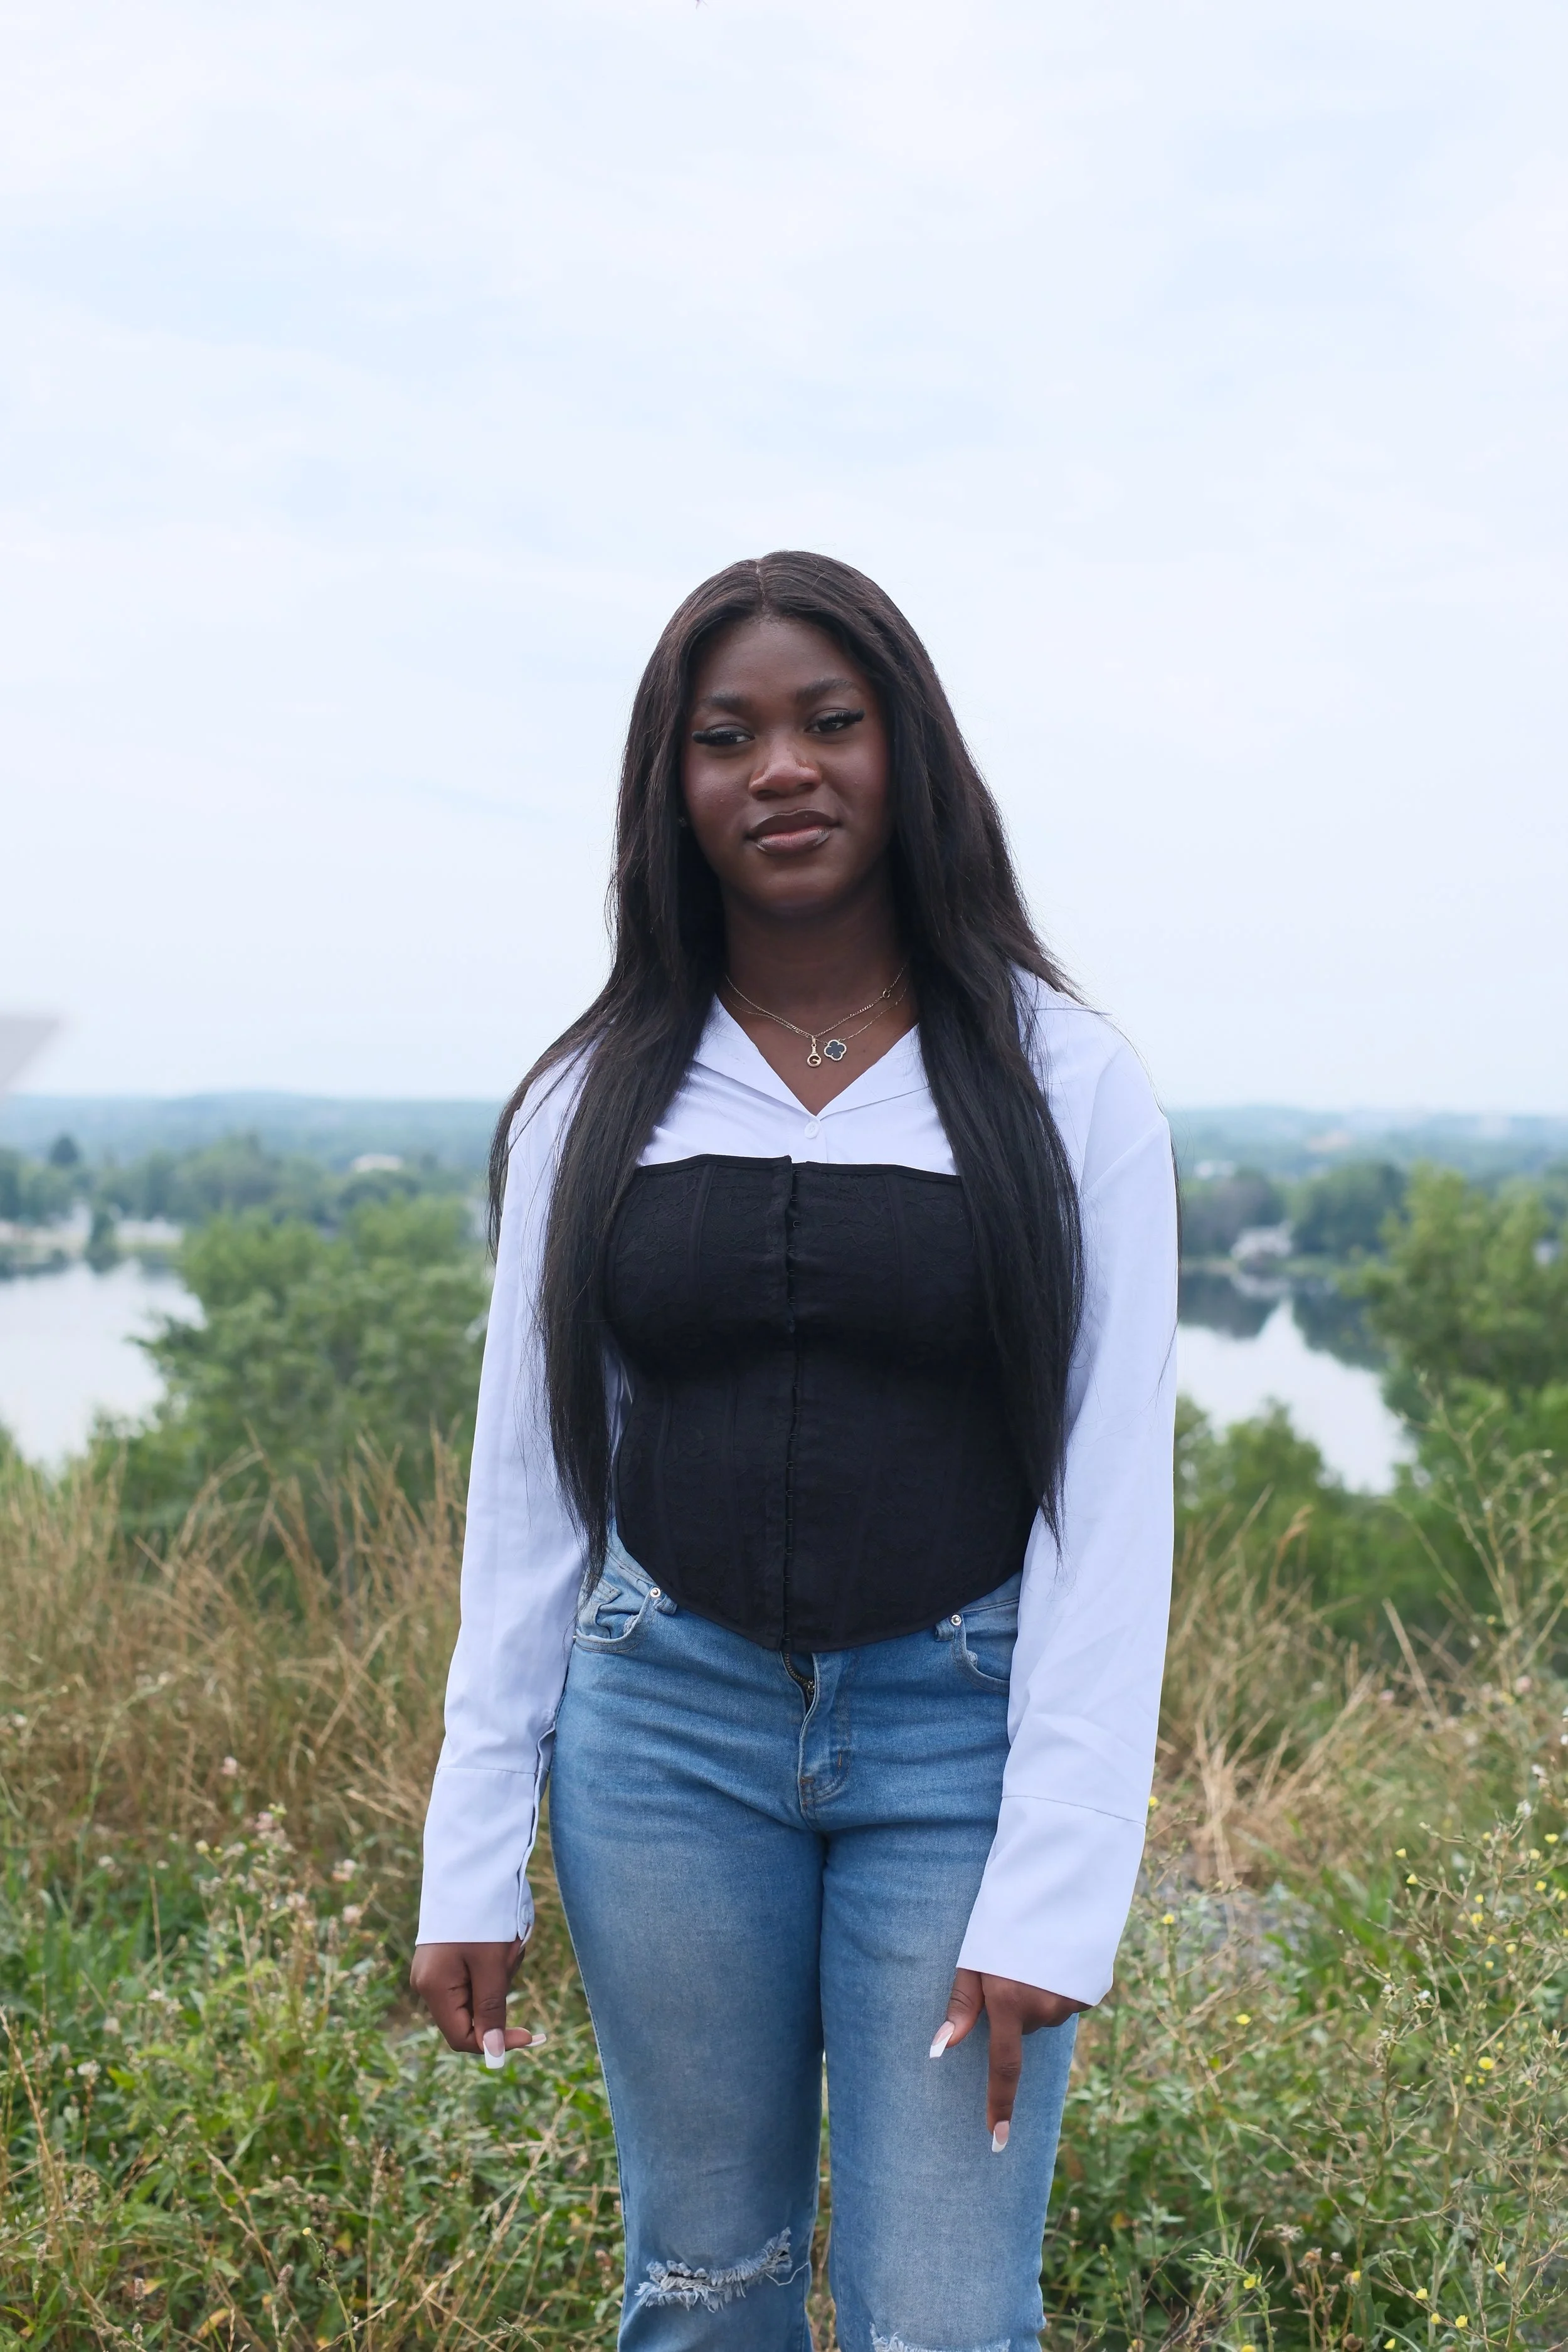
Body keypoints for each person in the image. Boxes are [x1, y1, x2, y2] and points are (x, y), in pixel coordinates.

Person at [411, 551, 1177, 2351]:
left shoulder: (1065, 1080)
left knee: (945, 2317)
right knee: (703, 2285)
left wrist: (1058, 1882)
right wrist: (472, 1849)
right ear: (668, 787)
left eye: (830, 722)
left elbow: (1109, 1505)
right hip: (662, 1742)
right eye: (726, 735)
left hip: (957, 1751)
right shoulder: (591, 1093)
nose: (781, 768)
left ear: (908, 753)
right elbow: (528, 1491)